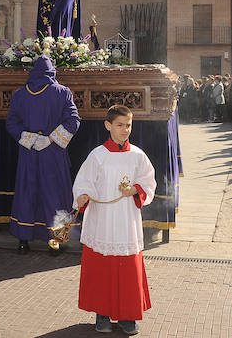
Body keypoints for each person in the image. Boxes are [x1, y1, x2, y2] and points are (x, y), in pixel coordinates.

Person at [73, 105, 156, 335]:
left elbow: (149, 183)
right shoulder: (98, 155)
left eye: (128, 125)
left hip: (127, 221)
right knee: (102, 268)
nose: (125, 130)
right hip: (102, 220)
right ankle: (103, 314)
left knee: (128, 267)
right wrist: (81, 195)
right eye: (119, 125)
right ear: (108, 126)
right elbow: (84, 182)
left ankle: (128, 316)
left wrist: (136, 189)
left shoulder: (138, 155)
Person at [5, 56, 80, 255]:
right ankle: (55, 242)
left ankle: (23, 241)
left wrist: (30, 139)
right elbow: (73, 120)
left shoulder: (19, 95)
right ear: (52, 72)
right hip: (53, 154)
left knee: (26, 193)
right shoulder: (63, 93)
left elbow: (11, 123)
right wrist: (50, 139)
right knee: (55, 195)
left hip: (28, 154)